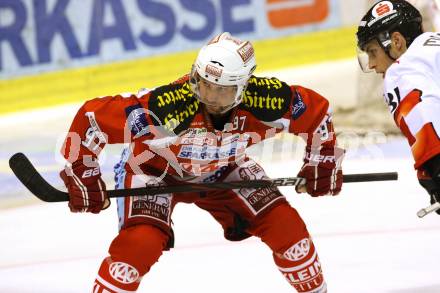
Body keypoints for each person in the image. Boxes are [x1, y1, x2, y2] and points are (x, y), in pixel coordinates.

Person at [59, 32, 344, 293]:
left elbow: (316, 114)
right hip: (153, 173)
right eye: (204, 84)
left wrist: (323, 160)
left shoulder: (267, 100)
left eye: (222, 90)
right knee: (138, 246)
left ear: (243, 86)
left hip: (225, 169)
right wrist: (82, 172)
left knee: (289, 231)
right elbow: (92, 120)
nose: (209, 97)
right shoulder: (167, 107)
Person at [356, 0, 440, 215]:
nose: (372, 64)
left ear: (397, 41)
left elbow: (419, 113)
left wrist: (436, 171)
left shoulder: (401, 71)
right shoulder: (433, 44)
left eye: (373, 52)